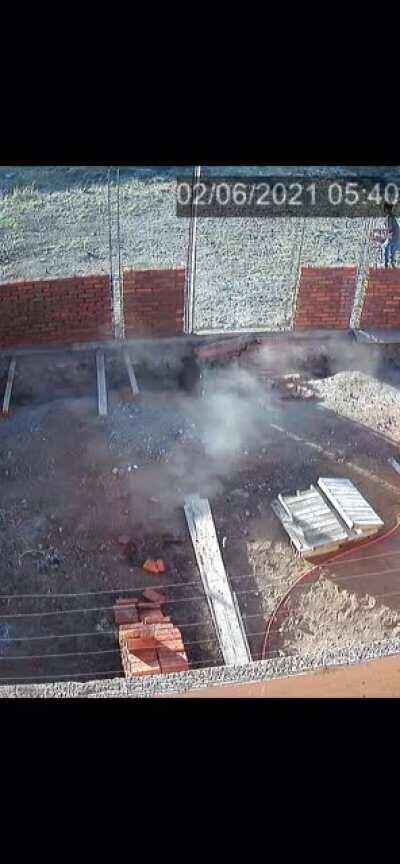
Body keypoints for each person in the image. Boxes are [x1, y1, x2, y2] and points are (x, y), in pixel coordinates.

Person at [381, 201, 400, 268]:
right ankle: (391, 262)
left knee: (386, 247)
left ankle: (386, 263)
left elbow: (390, 228)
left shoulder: (390, 217)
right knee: (392, 248)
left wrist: (385, 237)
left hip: (394, 235)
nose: (385, 210)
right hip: (396, 235)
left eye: (385, 209)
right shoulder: (390, 217)